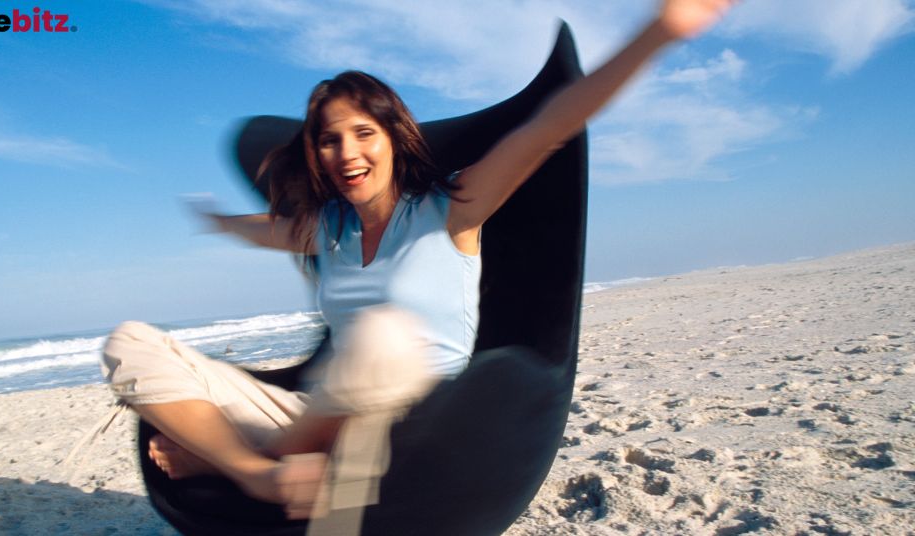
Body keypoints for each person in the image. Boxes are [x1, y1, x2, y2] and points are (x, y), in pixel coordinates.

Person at [100, 0, 736, 521]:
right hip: (321, 411)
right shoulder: (326, 231)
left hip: (423, 421)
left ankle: (259, 454)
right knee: (131, 342)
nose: (345, 152)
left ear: (392, 138)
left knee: (385, 335)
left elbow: (549, 128)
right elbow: (255, 231)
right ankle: (261, 471)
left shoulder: (453, 207)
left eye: (362, 133)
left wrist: (657, 35)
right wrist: (210, 220)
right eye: (328, 139)